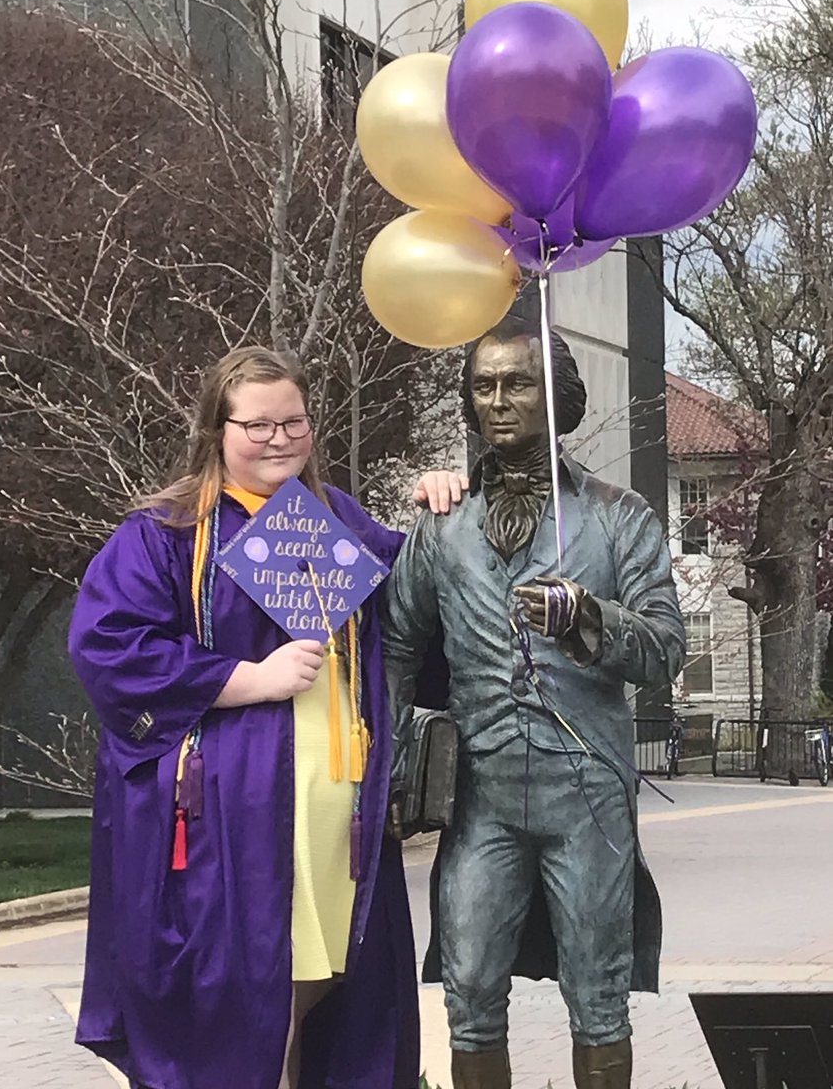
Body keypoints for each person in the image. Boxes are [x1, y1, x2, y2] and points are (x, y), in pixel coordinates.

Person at [68, 346, 455, 1089]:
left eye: (294, 422)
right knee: (242, 997)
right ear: (217, 430)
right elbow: (108, 647)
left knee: (328, 988)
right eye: (258, 426)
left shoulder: (335, 520)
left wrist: (440, 508)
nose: (279, 439)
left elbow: (421, 608)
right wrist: (245, 678)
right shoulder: (167, 532)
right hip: (231, 822)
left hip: (337, 819)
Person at [383, 315, 686, 1089]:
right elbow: (396, 645)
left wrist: (590, 617)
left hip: (586, 800)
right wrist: (390, 756)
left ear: (558, 397)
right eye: (483, 386)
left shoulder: (619, 516)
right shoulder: (442, 524)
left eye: (518, 383)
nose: (497, 400)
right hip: (481, 797)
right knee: (470, 993)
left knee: (600, 998)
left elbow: (665, 649)